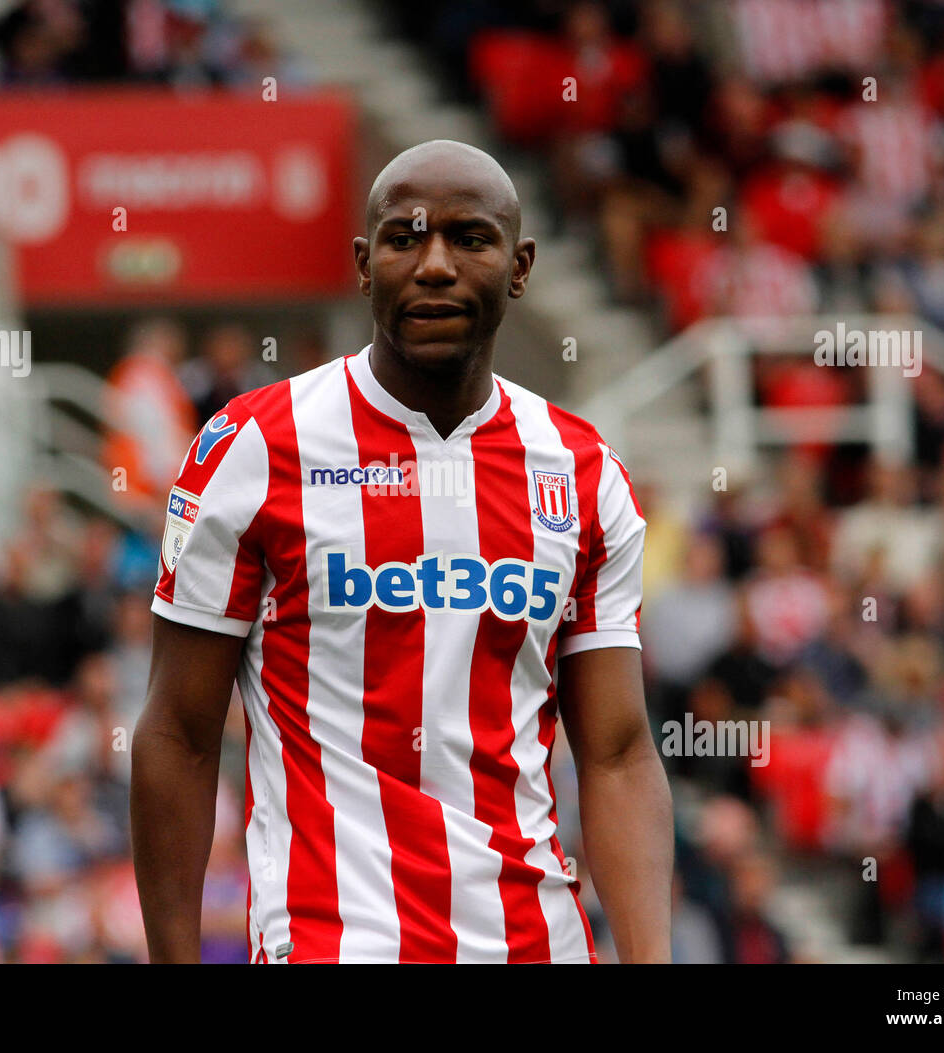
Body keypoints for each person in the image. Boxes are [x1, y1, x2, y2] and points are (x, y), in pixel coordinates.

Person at [131, 139, 673, 964]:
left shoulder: (585, 473)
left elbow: (619, 750)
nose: (434, 265)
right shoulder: (251, 448)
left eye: (471, 238)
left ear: (520, 266)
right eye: (404, 237)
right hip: (330, 939)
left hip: (537, 943)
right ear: (363, 263)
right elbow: (177, 731)